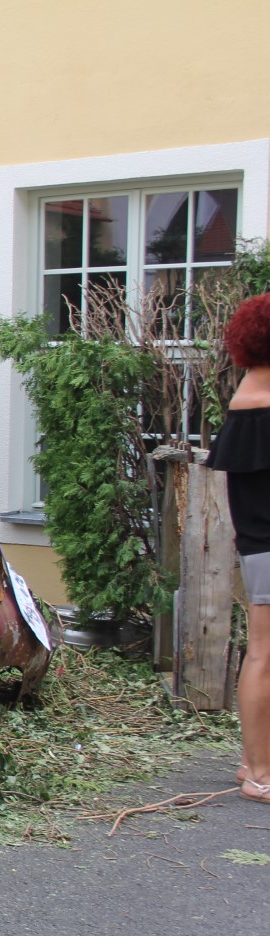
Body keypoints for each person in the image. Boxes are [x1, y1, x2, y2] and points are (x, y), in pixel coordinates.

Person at [207, 292, 270, 804]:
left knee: (260, 655)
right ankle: (260, 775)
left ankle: (253, 761)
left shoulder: (244, 399)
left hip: (258, 547)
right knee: (265, 658)